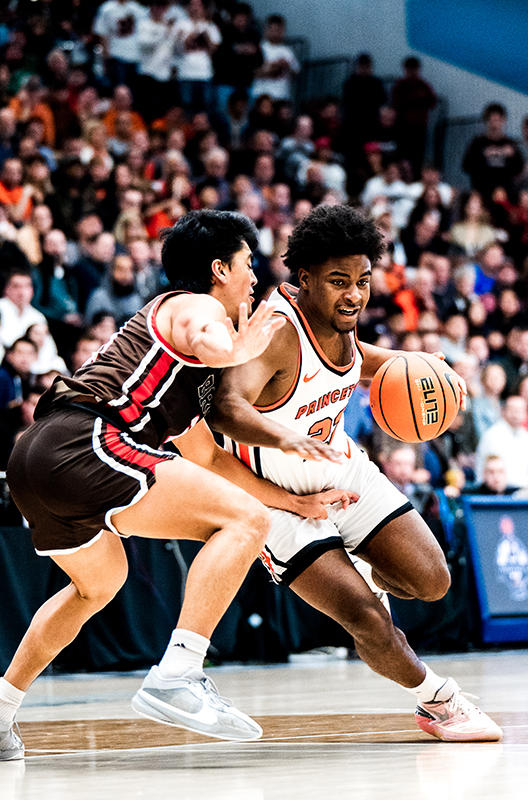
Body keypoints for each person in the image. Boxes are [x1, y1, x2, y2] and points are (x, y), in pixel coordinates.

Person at [0, 209, 351, 760]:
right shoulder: (195, 307)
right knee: (245, 521)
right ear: (218, 268)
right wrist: (243, 347)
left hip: (37, 460)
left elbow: (209, 461)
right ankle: (179, 674)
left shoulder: (186, 374)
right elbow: (210, 337)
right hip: (86, 441)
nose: (254, 277)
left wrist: (295, 501)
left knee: (99, 584)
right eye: (246, 264)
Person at [209, 205, 501, 742]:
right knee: (368, 620)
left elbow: (355, 357)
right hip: (278, 499)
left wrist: (421, 365)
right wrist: (283, 436)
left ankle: (364, 568)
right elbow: (227, 406)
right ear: (305, 279)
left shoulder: (341, 320)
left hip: (343, 469)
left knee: (433, 582)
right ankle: (437, 700)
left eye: (362, 281)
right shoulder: (276, 332)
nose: (354, 295)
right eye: (339, 281)